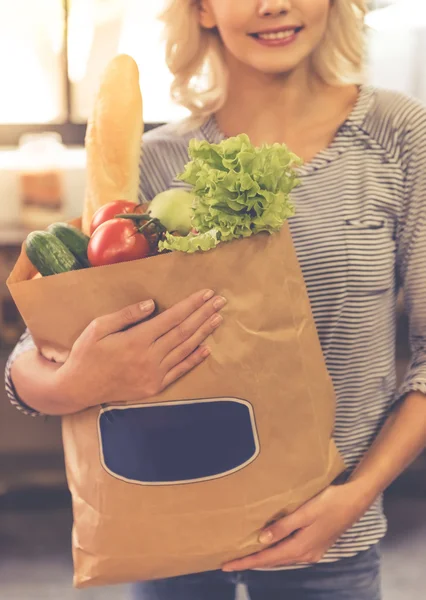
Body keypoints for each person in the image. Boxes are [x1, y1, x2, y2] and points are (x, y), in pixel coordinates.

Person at [5, 0, 426, 598]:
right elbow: (32, 355)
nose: (274, 4)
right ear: (202, 9)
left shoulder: (399, 136)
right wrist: (71, 384)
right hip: (169, 526)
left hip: (329, 536)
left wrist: (354, 500)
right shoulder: (153, 162)